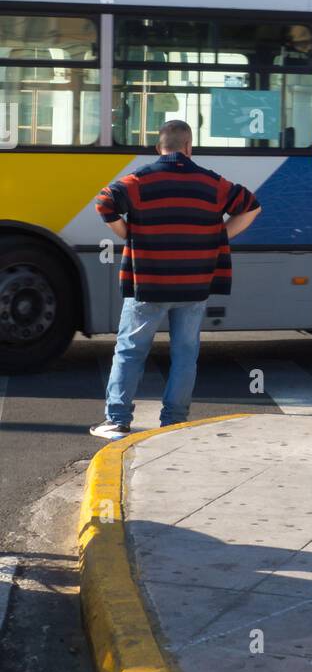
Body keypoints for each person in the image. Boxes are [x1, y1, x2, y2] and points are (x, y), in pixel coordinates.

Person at [90, 120, 261, 439]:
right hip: (194, 285)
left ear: (159, 148)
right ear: (189, 147)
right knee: (185, 354)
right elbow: (251, 207)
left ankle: (117, 419)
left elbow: (104, 203)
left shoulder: (139, 180)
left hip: (148, 284)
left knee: (130, 349)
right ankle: (174, 421)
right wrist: (219, 236)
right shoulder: (212, 183)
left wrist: (127, 233)